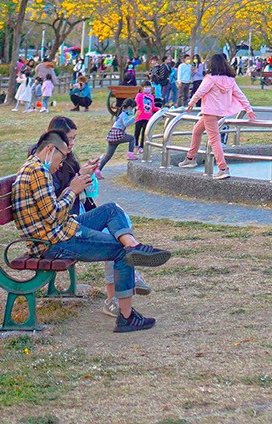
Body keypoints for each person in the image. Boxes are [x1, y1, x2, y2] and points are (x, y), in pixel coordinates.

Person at [10, 131, 170, 333]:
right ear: (50, 149)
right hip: (54, 243)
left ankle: (135, 246)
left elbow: (50, 216)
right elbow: (52, 216)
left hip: (61, 231)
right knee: (122, 252)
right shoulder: (38, 172)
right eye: (62, 156)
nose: (61, 163)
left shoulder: (34, 168)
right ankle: (127, 317)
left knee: (111, 209)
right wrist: (72, 190)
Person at [178, 53, 256, 179]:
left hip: (209, 112)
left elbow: (200, 92)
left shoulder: (210, 79)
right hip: (219, 112)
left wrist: (191, 103)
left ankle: (223, 168)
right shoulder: (230, 80)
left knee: (214, 140)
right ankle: (190, 158)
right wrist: (249, 109)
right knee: (197, 131)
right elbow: (241, 95)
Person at [132, 84, 156, 153]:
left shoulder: (151, 97)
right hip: (139, 117)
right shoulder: (139, 95)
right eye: (146, 87)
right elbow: (136, 104)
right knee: (137, 132)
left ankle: (142, 146)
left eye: (149, 87)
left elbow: (153, 107)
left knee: (144, 133)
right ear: (142, 88)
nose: (147, 88)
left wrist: (159, 109)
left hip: (147, 117)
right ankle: (135, 144)